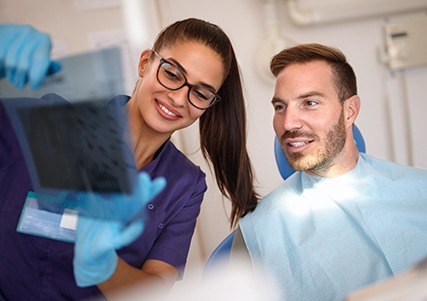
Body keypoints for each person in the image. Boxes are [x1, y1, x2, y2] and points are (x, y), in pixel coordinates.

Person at [0, 19, 259, 300]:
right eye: (172, 74)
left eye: (200, 93)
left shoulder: (185, 185)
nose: (179, 99)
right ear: (145, 63)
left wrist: (104, 266)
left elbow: (153, 290)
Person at [235, 43, 427, 301]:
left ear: (350, 111)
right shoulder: (257, 234)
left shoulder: (420, 190)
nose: (288, 123)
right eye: (280, 107)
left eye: (310, 103)